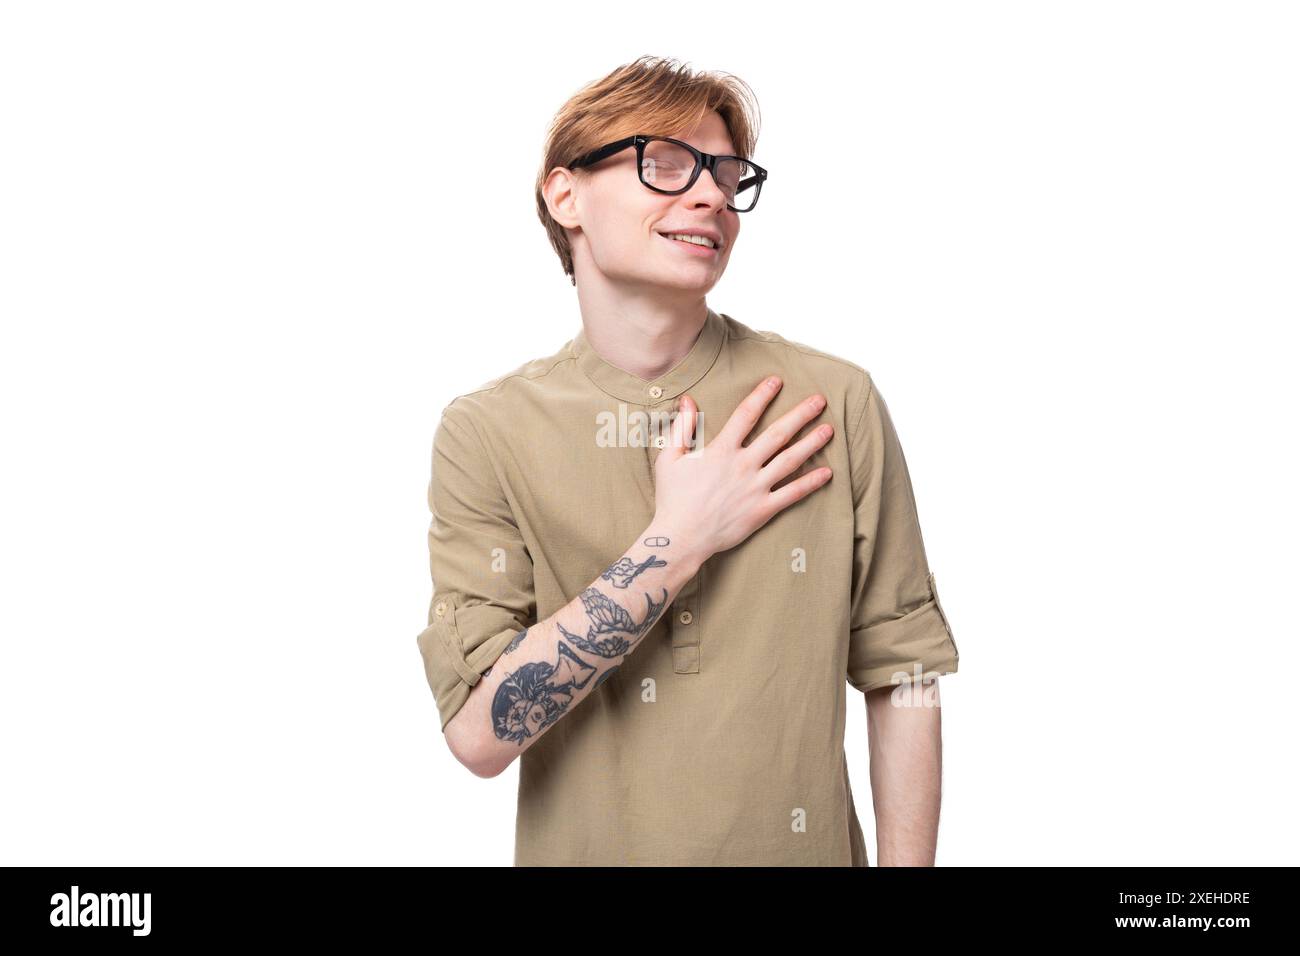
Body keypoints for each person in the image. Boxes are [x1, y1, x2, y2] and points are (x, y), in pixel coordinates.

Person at [415, 55, 959, 866]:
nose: (709, 195)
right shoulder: (486, 431)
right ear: (565, 196)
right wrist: (677, 540)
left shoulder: (831, 402)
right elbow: (481, 735)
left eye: (725, 173)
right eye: (664, 163)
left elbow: (903, 673)